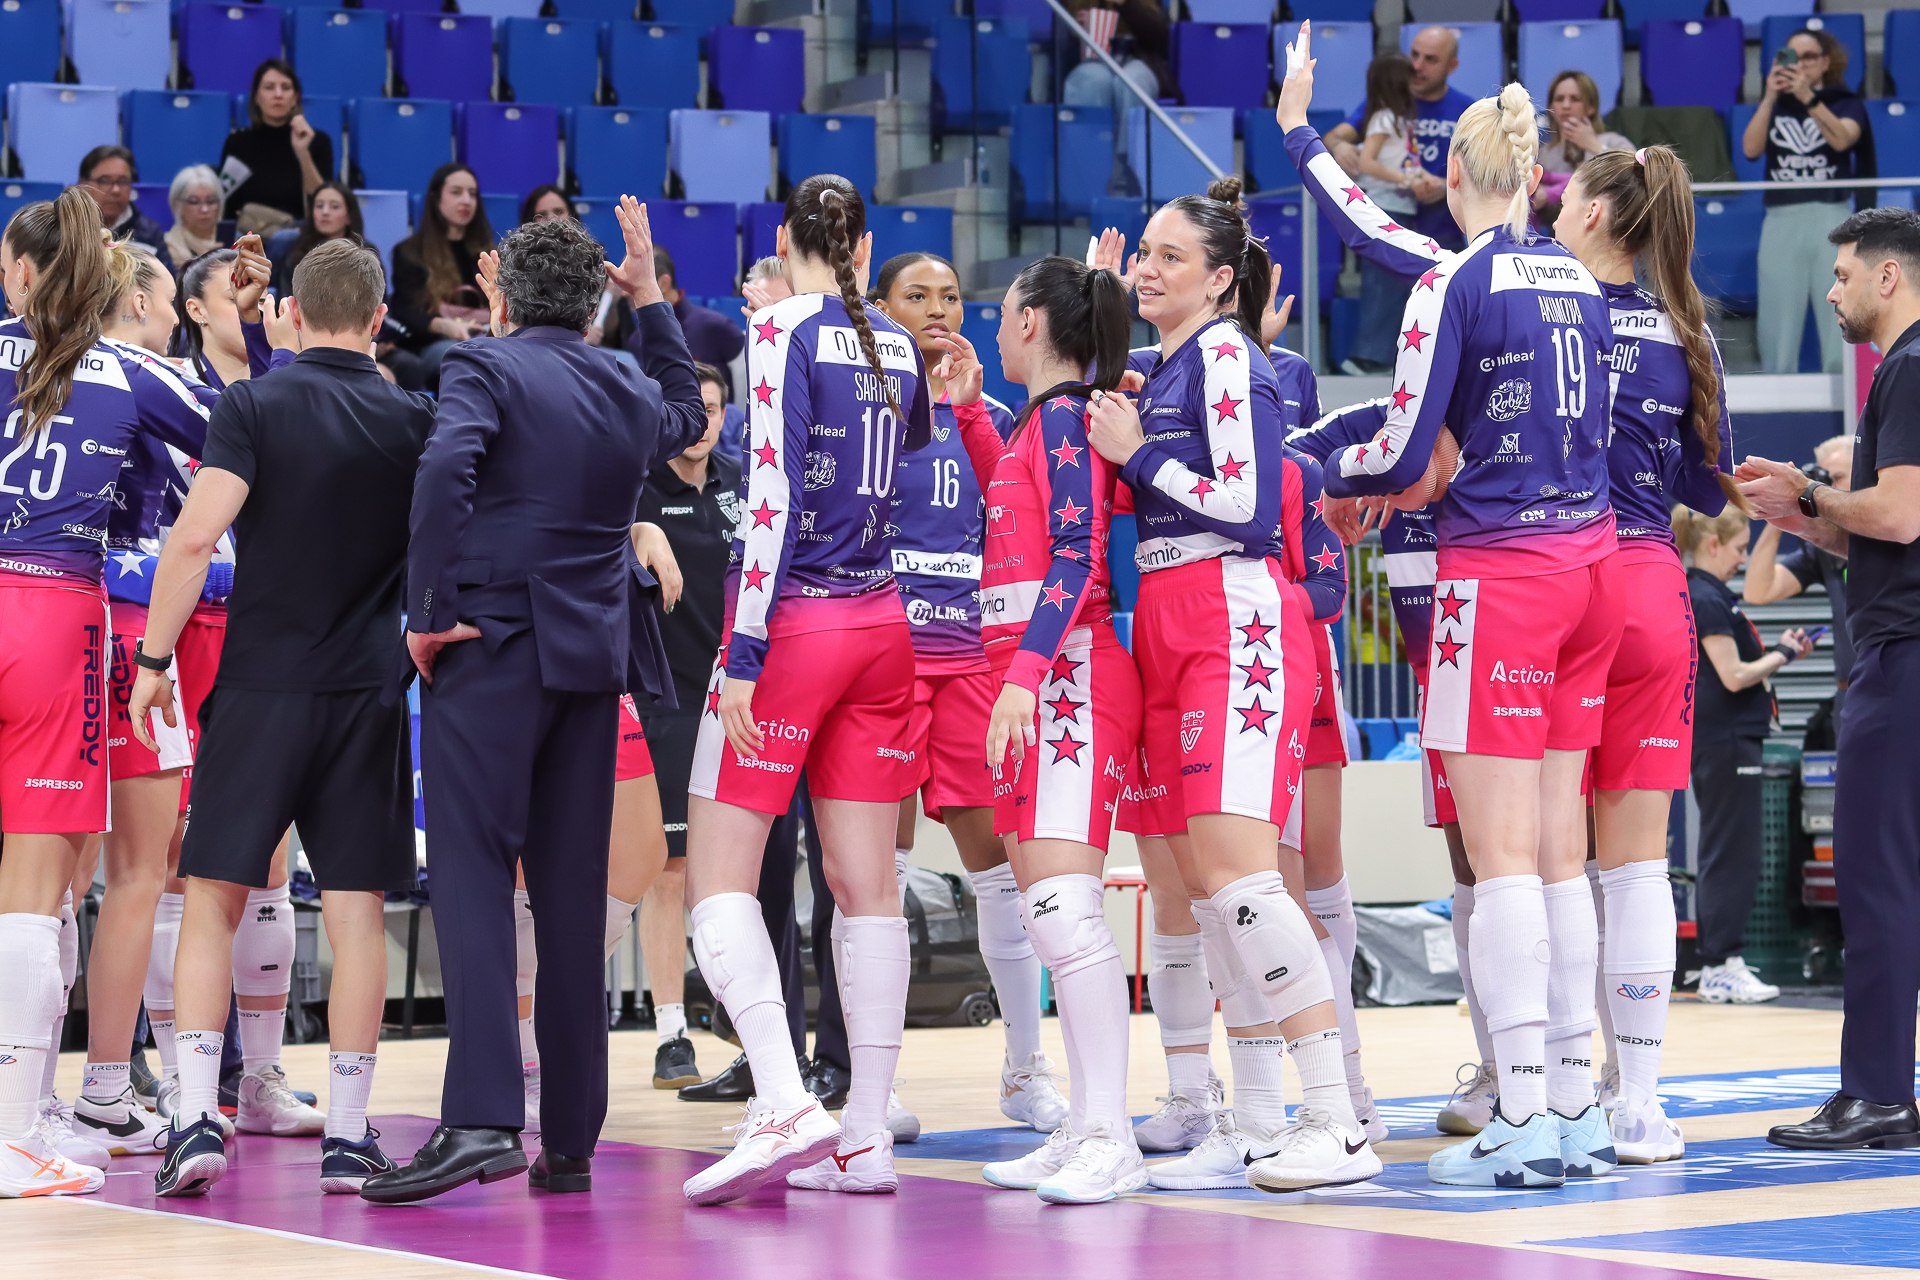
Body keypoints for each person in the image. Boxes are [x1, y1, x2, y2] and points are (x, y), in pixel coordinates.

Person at [1278, 23, 1620, 1188]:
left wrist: (1315, 472)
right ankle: (1575, 1105)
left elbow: (1404, 450)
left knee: (1502, 856)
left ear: (1456, 175)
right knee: (1562, 854)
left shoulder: (1452, 282)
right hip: (1591, 565)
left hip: (1502, 575)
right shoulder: (1578, 277)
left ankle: (1518, 1115)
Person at [364, 199, 705, 1204]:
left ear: (502, 298)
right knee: (568, 896)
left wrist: (428, 610)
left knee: (473, 878)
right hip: (591, 660)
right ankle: (572, 1140)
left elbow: (444, 469)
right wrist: (653, 301)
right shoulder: (625, 377)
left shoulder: (485, 365)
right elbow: (688, 417)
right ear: (598, 302)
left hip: (492, 648)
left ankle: (479, 1120)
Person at [1082, 167, 1376, 1194]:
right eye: (1144, 252)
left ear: (1218, 280)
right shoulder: (1169, 365)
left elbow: (1250, 510)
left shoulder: (1224, 357)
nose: (1148, 268)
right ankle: (1252, 1125)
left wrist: (1139, 459)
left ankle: (1335, 1118)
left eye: (1170, 256)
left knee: (1246, 882)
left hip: (1231, 612)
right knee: (1211, 891)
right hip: (1170, 613)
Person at [122, 239, 430, 1199]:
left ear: (292, 312)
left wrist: (153, 662)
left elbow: (192, 542)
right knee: (356, 914)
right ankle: (348, 1136)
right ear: (377, 318)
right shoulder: (415, 416)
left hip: (259, 687)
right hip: (368, 692)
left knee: (212, 896)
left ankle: (191, 1123)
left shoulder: (253, 404)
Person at [678, 174, 932, 1206]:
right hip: (883, 623)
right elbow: (909, 449)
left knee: (717, 879)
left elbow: (773, 495)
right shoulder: (899, 340)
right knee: (868, 886)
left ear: (784, 239)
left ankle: (782, 1098)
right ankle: (864, 1135)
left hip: (795, 628)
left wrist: (742, 651)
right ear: (865, 248)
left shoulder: (779, 328)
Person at [0, 188, 218, 1199]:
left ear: (20, 271)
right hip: (56, 617)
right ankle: (15, 1130)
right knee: (40, 884)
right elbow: (243, 438)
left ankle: (32, 1110)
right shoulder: (128, 368)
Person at [931, 258, 1140, 1202]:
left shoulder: (1065, 417)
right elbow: (1014, 514)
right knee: (1048, 912)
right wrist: (973, 419)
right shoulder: (1035, 423)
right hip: (1034, 680)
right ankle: (1087, 1126)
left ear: (1027, 322)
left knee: (1061, 909)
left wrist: (1021, 677)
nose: (992, 323)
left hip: (1068, 675)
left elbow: (1076, 554)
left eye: (1002, 309)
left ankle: (1109, 1136)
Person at [1557, 147, 1747, 1160]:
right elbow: (1712, 489)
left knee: (1551, 862)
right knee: (1636, 866)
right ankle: (1637, 1102)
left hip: (1553, 580)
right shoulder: (1687, 326)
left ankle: (1554, 1095)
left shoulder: (1540, 304)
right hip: (1646, 584)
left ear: (1594, 212)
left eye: (1565, 198)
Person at [867, 252, 1067, 1131]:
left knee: (1000, 872)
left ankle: (1025, 1071)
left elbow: (1021, 516)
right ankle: (875, 1083)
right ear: (881, 309)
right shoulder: (863, 404)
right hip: (882, 656)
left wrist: (972, 410)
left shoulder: (989, 412)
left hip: (969, 660)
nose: (938, 310)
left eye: (950, 297)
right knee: (877, 873)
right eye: (917, 297)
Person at [1742, 206, 1920, 1150]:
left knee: (1877, 877)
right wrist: (1804, 515)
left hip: (1904, 656)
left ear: (1889, 276)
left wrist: (1811, 492)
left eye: (1844, 274)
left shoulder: (1909, 366)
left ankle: (1880, 1092)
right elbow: (1882, 532)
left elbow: (1900, 516)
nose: (1831, 291)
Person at [633, 362, 736, 1091]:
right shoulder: (635, 489)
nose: (702, 422)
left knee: (733, 870)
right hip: (666, 699)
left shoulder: (745, 486)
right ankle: (672, 1034)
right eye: (690, 408)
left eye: (714, 408)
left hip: (738, 699)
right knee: (670, 870)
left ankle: (741, 1013)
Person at [1673, 506, 1803, 1010]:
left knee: (1730, 849)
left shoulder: (1710, 595)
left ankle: (1720, 963)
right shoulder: (1705, 597)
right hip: (1725, 739)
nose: (1743, 560)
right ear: (1712, 545)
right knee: (1731, 852)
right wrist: (1783, 653)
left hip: (1728, 738)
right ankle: (1720, 965)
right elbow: (1734, 676)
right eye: (1740, 549)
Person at [1322, 27, 1472, 373]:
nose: (1417, 66)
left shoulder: (1467, 110)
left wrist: (1447, 186)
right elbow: (1334, 136)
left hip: (1444, 225)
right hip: (1393, 214)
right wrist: (1340, 146)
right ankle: (1372, 360)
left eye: (1430, 60)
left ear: (1452, 66)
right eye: (1414, 55)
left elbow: (1482, 167)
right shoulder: (1390, 101)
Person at [1743, 28, 1871, 374]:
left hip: (1831, 215)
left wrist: (1808, 98)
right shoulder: (1777, 104)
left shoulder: (1845, 101)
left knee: (1839, 310)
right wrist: (1769, 97)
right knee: (1778, 314)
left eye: (1808, 57)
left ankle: (1846, 388)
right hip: (1781, 216)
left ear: (1826, 62)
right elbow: (1750, 149)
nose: (1799, 65)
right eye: (1791, 57)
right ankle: (1777, 384)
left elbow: (1843, 140)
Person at [1744, 434, 1856, 718]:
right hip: (1850, 693)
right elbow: (1758, 591)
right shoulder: (1824, 550)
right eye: (1821, 480)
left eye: (1837, 478)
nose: (1827, 489)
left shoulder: (1897, 533)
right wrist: (1783, 509)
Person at [1343, 54, 1433, 382]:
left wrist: (1421, 179)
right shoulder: (1383, 118)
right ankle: (1367, 356)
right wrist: (1405, 180)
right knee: (1382, 285)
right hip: (1383, 209)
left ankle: (1382, 354)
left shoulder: (1399, 120)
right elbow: (1366, 162)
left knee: (1397, 287)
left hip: (1401, 208)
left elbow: (1405, 162)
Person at [388, 163, 494, 389]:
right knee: (464, 355)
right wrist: (445, 326)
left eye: (472, 194)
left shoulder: (488, 252)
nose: (466, 200)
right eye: (456, 192)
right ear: (436, 199)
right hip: (433, 344)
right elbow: (405, 312)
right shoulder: (410, 252)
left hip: (484, 339)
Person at [597, 245, 744, 395]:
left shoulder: (717, 327)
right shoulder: (637, 340)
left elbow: (747, 382)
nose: (624, 293)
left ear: (664, 283)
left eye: (633, 283)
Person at [219, 59, 334, 234]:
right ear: (257, 97)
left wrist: (302, 152)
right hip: (249, 235)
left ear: (295, 98)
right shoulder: (237, 143)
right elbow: (226, 205)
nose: (278, 94)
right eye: (269, 87)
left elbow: (321, 203)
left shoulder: (317, 141)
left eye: (286, 88)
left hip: (298, 237)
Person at [1533, 72, 1632, 220]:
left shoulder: (1613, 141)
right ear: (1551, 107)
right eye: (1559, 99)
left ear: (1591, 107)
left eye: (1575, 99)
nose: (1566, 105)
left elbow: (1636, 175)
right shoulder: (1543, 155)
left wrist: (1593, 145)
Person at [268, 182, 364, 296]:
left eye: (334, 206)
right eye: (319, 206)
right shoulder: (296, 255)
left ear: (349, 216)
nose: (325, 212)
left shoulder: (365, 256)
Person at [78, 146, 165, 253]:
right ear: (84, 183)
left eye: (123, 181)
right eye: (105, 180)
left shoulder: (150, 233)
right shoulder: (65, 228)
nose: (116, 190)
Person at [164, 166, 225, 275]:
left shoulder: (236, 244)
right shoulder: (166, 248)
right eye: (194, 201)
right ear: (177, 205)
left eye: (211, 201)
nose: (204, 209)